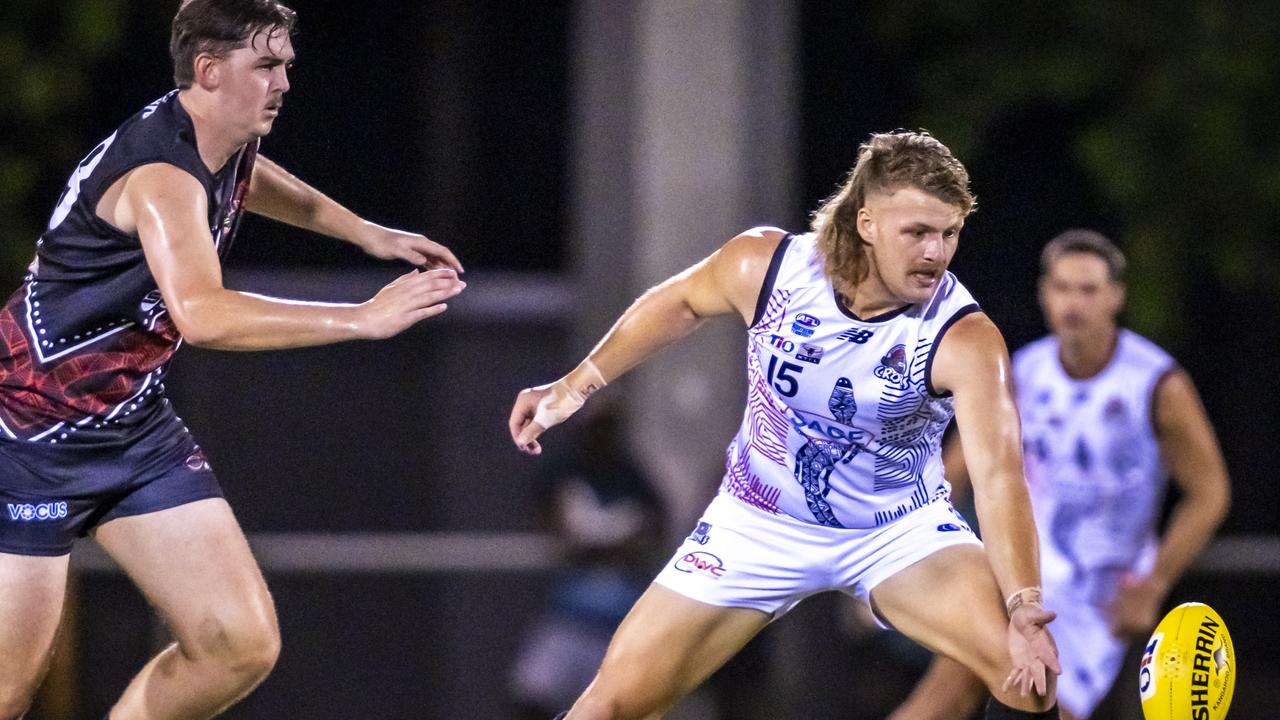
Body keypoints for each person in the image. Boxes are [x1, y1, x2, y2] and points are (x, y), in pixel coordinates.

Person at [0, 1, 466, 718]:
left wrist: (365, 232)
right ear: (211, 71)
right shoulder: (161, 175)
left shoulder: (219, 136)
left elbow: (255, 180)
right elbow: (203, 313)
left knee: (238, 643)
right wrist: (361, 317)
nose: (284, 82)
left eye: (287, 64)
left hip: (130, 425)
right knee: (8, 691)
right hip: (29, 434)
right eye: (268, 66)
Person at [509, 130, 1062, 720]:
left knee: (1027, 677)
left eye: (949, 233)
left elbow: (1000, 475)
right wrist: (571, 386)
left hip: (895, 530)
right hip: (757, 521)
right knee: (612, 703)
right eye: (919, 233)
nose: (936, 253)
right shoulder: (770, 267)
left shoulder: (964, 337)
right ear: (867, 221)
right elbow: (682, 302)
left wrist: (1026, 603)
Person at [888, 230, 1231, 720]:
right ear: (1045, 293)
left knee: (1040, 704)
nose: (1074, 304)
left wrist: (1155, 582)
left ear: (1116, 296)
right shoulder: (1024, 372)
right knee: (946, 693)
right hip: (1026, 584)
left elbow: (1210, 491)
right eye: (1063, 288)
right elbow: (954, 470)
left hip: (1098, 600)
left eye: (1089, 290)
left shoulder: (1157, 384)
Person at [509, 401, 667, 719]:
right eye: (596, 428)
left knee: (611, 708)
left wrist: (621, 545)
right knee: (531, 696)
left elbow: (656, 526)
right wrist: (578, 542)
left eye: (609, 428)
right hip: (570, 618)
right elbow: (548, 521)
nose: (602, 436)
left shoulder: (632, 477)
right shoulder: (566, 472)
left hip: (617, 627)